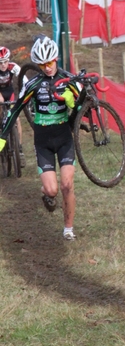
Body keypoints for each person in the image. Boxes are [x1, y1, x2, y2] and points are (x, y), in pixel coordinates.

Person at [0, 36, 80, 240]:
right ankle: (46, 192)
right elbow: (16, 110)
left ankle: (68, 229)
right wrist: (1, 140)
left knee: (67, 185)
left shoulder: (69, 80)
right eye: (43, 64)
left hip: (64, 139)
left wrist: (74, 103)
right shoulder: (33, 84)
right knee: (52, 190)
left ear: (56, 59)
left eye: (50, 62)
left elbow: (84, 111)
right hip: (43, 142)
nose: (48, 68)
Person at [0, 46, 26, 167]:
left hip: (9, 92)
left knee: (17, 119)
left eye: (5, 61)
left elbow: (25, 81)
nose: (3, 65)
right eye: (0, 63)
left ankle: (20, 150)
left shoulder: (13, 67)